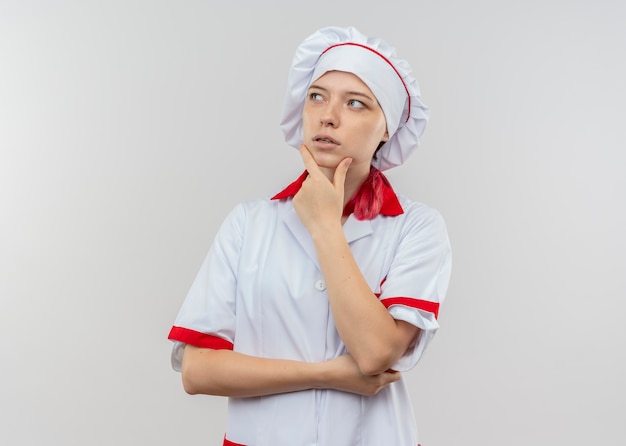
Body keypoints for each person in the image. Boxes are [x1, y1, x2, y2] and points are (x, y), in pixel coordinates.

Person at [167, 25, 452, 446]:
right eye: (317, 96)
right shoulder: (249, 223)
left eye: (356, 103)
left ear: (387, 130)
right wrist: (328, 375)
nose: (328, 115)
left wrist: (325, 227)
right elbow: (197, 371)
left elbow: (375, 352)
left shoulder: (417, 227)